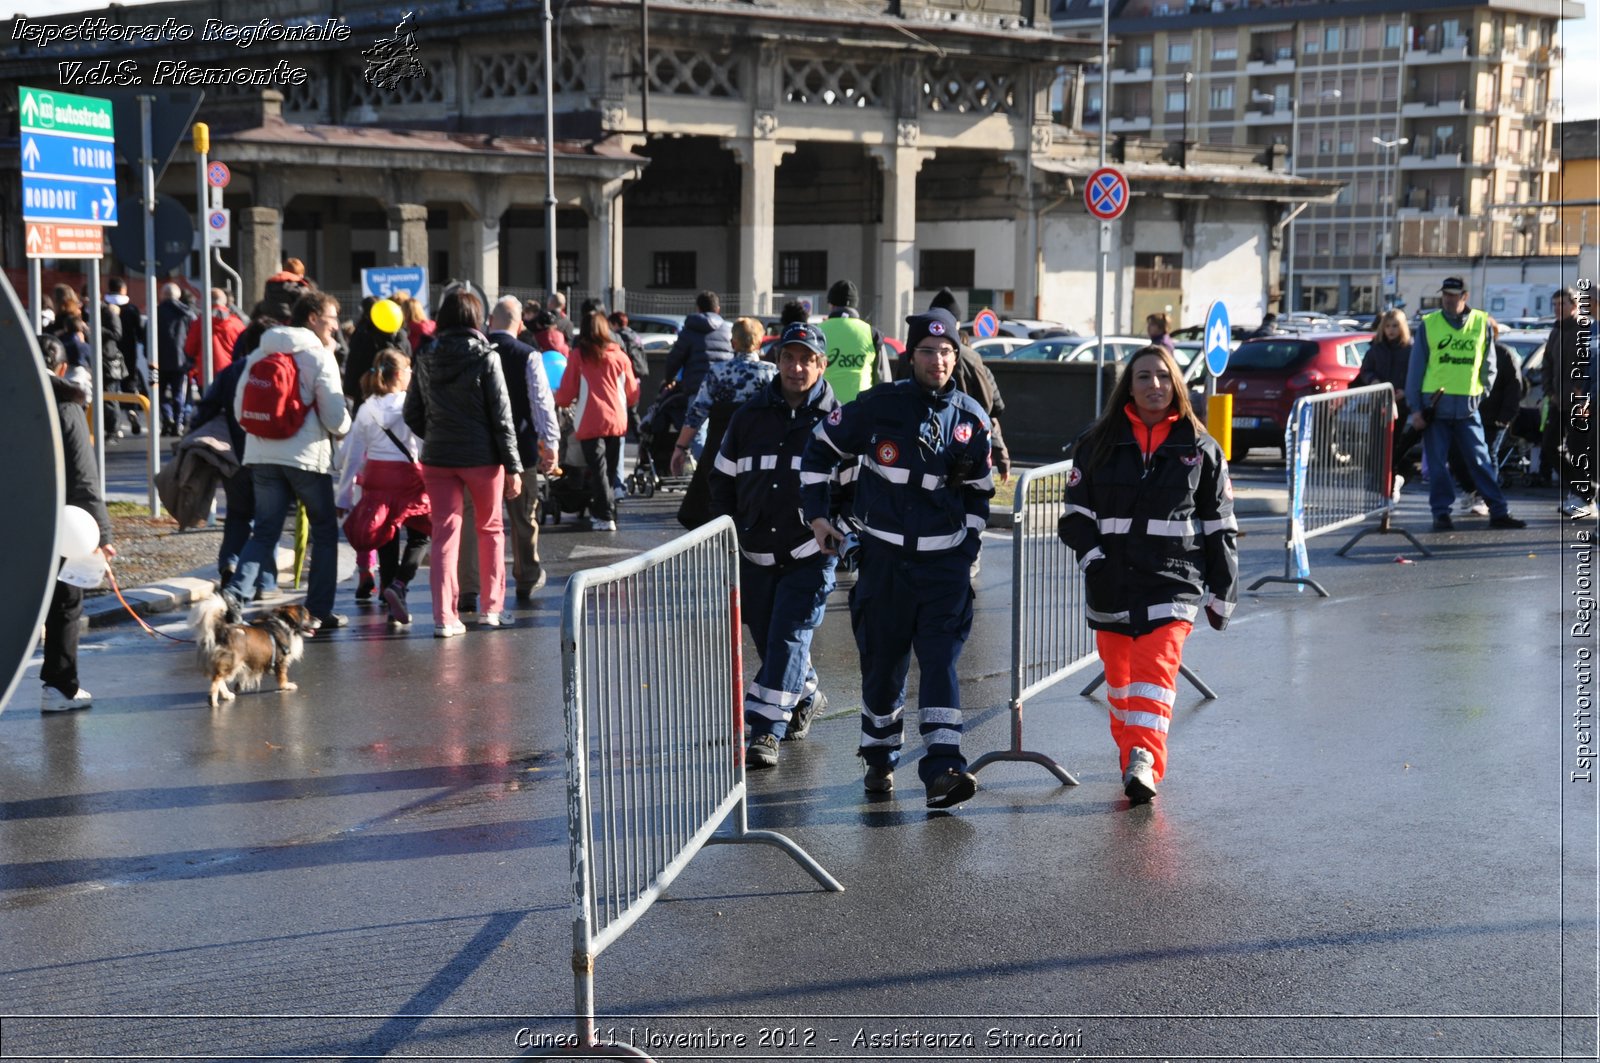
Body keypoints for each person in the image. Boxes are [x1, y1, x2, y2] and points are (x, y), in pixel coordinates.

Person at [800, 307, 994, 809]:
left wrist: (967, 550)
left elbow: (979, 494)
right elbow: (819, 450)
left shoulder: (971, 418)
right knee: (883, 669)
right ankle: (881, 757)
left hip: (944, 569)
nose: (939, 360)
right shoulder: (878, 405)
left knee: (940, 663)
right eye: (928, 352)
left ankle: (943, 767)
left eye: (947, 351)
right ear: (912, 356)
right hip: (884, 565)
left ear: (957, 356)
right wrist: (819, 520)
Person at [1058, 344, 1238, 804]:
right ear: (1129, 386)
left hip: (1173, 581)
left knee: (1154, 676)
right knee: (1120, 685)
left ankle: (1144, 760)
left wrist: (1224, 590)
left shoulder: (1201, 448)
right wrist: (1093, 560)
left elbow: (1220, 525)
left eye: (1162, 376)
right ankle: (1132, 756)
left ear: (1176, 383)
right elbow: (1074, 517)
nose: (1154, 385)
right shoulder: (1095, 443)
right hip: (1111, 582)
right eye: (1143, 377)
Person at [709, 323, 838, 768]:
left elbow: (853, 488)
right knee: (772, 644)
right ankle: (807, 694)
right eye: (788, 357)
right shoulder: (749, 416)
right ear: (776, 360)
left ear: (821, 365)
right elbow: (722, 482)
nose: (796, 367)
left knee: (787, 638)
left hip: (810, 555)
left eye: (806, 359)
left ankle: (766, 733)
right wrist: (725, 536)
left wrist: (842, 534)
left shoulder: (836, 420)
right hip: (756, 555)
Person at [221, 292, 353, 629]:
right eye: (331, 318)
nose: (336, 326)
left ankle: (235, 595)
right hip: (306, 459)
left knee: (264, 530)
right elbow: (336, 419)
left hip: (262, 454)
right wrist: (342, 426)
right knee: (323, 531)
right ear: (312, 318)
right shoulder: (318, 357)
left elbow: (240, 410)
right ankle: (319, 610)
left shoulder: (261, 351)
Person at [402, 288, 523, 636]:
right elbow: (502, 418)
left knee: (444, 534)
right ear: (475, 318)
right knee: (490, 530)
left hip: (438, 458)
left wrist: (436, 432)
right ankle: (491, 609)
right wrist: (512, 466)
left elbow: (411, 412)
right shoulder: (487, 356)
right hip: (482, 458)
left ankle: (444, 617)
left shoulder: (425, 357)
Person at [1404, 277, 1527, 532]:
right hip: (1435, 409)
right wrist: (1416, 407)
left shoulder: (1481, 323)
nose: (1448, 298)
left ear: (1465, 296)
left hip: (1468, 409)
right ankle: (1441, 514)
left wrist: (1481, 394)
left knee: (1481, 461)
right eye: (1445, 294)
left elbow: (1489, 366)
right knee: (1437, 466)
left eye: (1453, 294)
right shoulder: (1430, 324)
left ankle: (1499, 511)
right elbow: (1416, 370)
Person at [39, 332, 115, 713]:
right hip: (59, 523)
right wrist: (102, 533)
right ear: (62, 368)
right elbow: (84, 478)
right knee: (66, 601)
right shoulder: (66, 407)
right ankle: (59, 686)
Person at [337, 347, 432, 627]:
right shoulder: (409, 404)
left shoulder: (367, 408)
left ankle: (388, 593)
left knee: (386, 537)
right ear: (400, 374)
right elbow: (424, 443)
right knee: (421, 534)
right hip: (408, 477)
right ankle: (400, 585)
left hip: (377, 477)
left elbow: (353, 454)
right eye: (410, 371)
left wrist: (343, 497)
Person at [191, 346, 280, 601]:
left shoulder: (230, 371)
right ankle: (265, 581)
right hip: (268, 455)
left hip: (233, 455)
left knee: (238, 515)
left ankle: (229, 561)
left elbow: (207, 407)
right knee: (267, 519)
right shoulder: (276, 368)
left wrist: (193, 437)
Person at [670, 317, 777, 527]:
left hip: (720, 448)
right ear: (759, 342)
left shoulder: (718, 372)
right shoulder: (771, 373)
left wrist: (680, 447)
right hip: (758, 448)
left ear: (733, 342)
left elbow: (696, 414)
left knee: (720, 502)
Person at [487, 295, 559, 599]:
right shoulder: (527, 354)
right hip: (521, 447)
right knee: (524, 516)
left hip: (482, 449)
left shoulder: (480, 350)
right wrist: (551, 443)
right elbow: (541, 402)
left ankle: (471, 586)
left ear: (491, 321)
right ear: (518, 324)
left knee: (480, 520)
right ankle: (527, 575)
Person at [553, 311, 639, 532]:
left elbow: (566, 395)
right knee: (609, 470)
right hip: (617, 419)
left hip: (590, 419)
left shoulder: (579, 356)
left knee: (598, 468)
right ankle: (609, 509)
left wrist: (557, 398)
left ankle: (604, 514)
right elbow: (632, 393)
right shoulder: (620, 356)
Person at [928, 287, 1012, 483]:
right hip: (962, 447)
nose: (937, 361)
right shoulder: (971, 358)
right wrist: (1002, 456)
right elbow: (988, 409)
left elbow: (985, 412)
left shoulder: (911, 356)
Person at [1354, 308, 1421, 493]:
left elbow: (1415, 374)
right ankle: (1378, 480)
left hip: (1401, 404)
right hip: (1379, 402)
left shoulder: (1409, 349)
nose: (1391, 330)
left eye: (1395, 326)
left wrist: (1405, 392)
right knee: (1376, 443)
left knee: (1396, 444)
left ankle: (1395, 478)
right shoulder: (1376, 348)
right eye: (1388, 326)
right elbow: (1365, 370)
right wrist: (1373, 381)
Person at [1546, 287, 1595, 518]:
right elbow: (1547, 363)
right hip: (1558, 402)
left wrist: (1584, 393)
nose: (1557, 309)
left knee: (1578, 450)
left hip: (1578, 402)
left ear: (1574, 306)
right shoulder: (1555, 331)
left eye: (1562, 304)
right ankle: (1577, 490)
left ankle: (1584, 498)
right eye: (1554, 305)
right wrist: (1549, 391)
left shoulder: (1585, 329)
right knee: (1549, 448)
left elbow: (1590, 364)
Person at [819, 278, 894, 404]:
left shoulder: (817, 332)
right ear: (855, 304)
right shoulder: (872, 333)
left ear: (831, 304)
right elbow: (883, 380)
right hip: (862, 411)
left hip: (825, 409)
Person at [663, 290, 734, 413]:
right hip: (723, 385)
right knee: (721, 427)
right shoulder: (728, 331)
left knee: (695, 426)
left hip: (696, 386)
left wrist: (669, 379)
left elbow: (675, 358)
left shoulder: (690, 329)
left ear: (698, 309)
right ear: (718, 309)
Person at [104, 276, 145, 436]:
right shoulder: (132, 309)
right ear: (123, 290)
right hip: (129, 353)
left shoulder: (104, 307)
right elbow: (139, 332)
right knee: (130, 385)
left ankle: (114, 426)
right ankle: (132, 412)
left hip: (109, 353)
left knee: (111, 389)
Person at [183, 288, 244, 389]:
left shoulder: (200, 322)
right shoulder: (237, 323)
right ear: (224, 301)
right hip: (231, 373)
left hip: (206, 374)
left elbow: (190, 349)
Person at [155, 283, 195, 433]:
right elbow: (193, 336)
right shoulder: (187, 314)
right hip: (181, 360)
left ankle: (167, 418)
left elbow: (146, 335)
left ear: (163, 295)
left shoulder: (156, 312)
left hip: (158, 361)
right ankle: (177, 423)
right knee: (179, 393)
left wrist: (148, 354)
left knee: (158, 392)